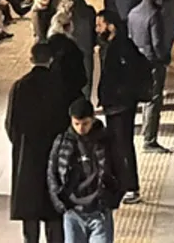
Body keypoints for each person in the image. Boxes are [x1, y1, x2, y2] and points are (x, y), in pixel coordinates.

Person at [7, 43, 69, 243]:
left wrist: (20, 144)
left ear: (31, 59)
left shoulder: (20, 86)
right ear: (51, 59)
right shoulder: (61, 86)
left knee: (30, 210)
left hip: (27, 155)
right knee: (54, 210)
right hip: (54, 154)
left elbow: (11, 124)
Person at [47, 98, 122, 243]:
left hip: (99, 212)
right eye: (76, 124)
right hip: (73, 213)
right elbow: (52, 173)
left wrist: (113, 199)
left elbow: (120, 170)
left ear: (93, 119)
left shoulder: (105, 140)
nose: (81, 128)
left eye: (85, 123)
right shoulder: (62, 141)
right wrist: (60, 202)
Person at [95, 11, 146, 204]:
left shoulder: (122, 47)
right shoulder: (110, 46)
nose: (97, 29)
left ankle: (131, 187)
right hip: (114, 104)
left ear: (111, 26)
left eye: (100, 25)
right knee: (116, 145)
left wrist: (119, 94)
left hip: (121, 105)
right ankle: (120, 183)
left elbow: (128, 74)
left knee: (123, 144)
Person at [127, 0, 172, 155]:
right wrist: (164, 58)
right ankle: (149, 140)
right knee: (153, 100)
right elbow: (157, 43)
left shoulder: (133, 13)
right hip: (152, 62)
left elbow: (130, 37)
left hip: (136, 61)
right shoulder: (154, 15)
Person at [46, 13, 88, 110]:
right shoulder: (72, 47)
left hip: (53, 93)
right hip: (71, 93)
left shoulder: (48, 45)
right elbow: (81, 77)